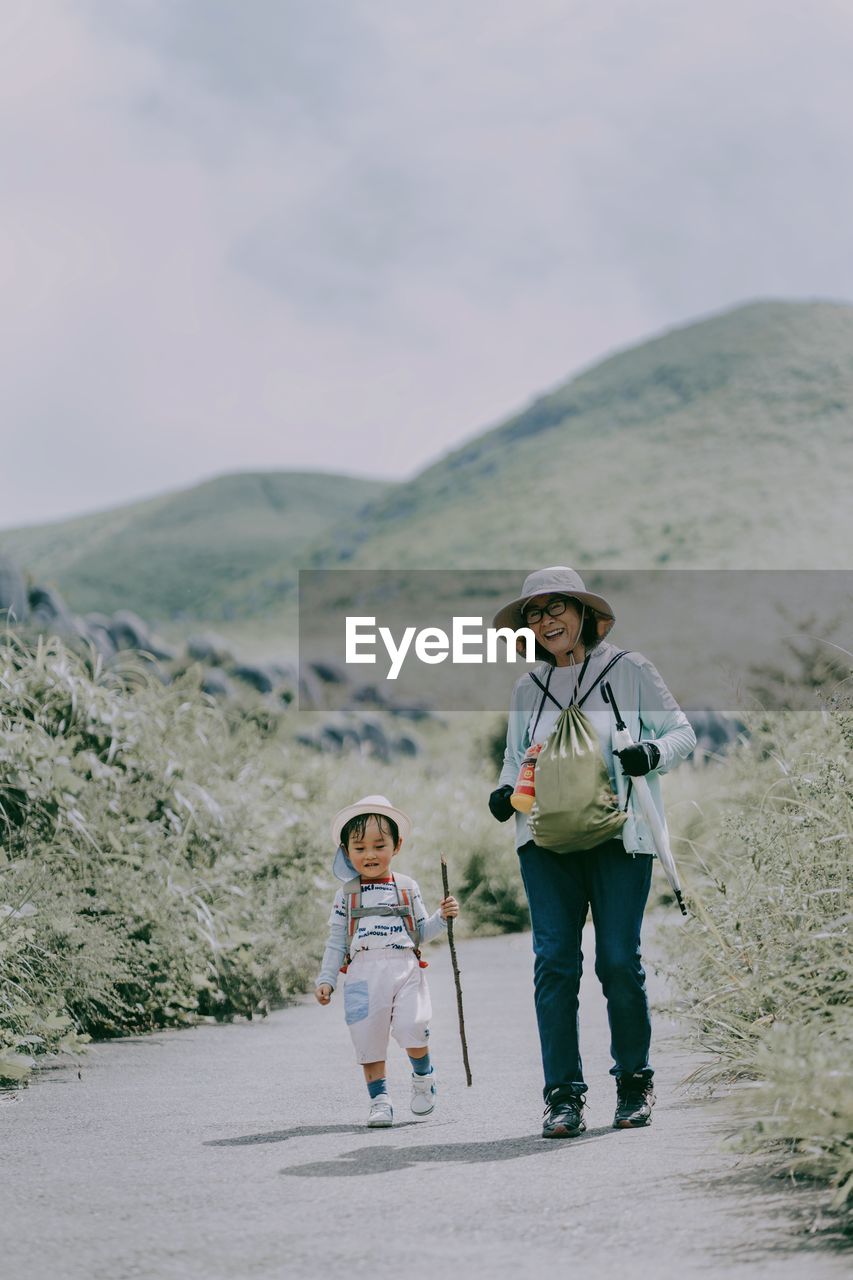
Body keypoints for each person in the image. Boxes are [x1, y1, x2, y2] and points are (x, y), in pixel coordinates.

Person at [489, 567, 696, 1138]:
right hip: (545, 844)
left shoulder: (629, 671)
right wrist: (505, 794)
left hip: (619, 840)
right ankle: (564, 1097)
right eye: (534, 612)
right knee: (554, 966)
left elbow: (682, 733)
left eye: (557, 606)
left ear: (584, 614)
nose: (546, 619)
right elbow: (516, 758)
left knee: (616, 963)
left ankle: (634, 1085)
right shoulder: (528, 689)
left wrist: (650, 753)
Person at [315, 794, 459, 1128]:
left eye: (379, 845)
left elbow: (421, 932)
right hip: (362, 974)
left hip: (404, 967)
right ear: (346, 851)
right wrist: (326, 980)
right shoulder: (346, 895)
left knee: (413, 1026)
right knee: (368, 1037)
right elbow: (336, 941)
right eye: (360, 847)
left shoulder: (406, 887)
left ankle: (423, 1078)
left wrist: (443, 916)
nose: (370, 855)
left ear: (397, 845)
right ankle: (379, 1100)